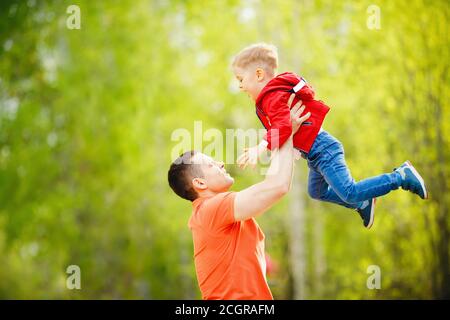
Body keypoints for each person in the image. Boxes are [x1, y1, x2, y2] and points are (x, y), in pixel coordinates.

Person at [232, 43, 428, 229]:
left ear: (259, 74)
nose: (240, 86)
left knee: (349, 192)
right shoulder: (274, 95)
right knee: (316, 191)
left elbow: (283, 126)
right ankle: (364, 203)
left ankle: (400, 176)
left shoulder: (271, 97)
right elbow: (287, 127)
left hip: (323, 149)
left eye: (241, 79)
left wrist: (260, 148)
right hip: (315, 153)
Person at [168, 97, 310, 300]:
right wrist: (285, 133)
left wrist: (285, 134)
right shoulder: (211, 209)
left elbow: (275, 184)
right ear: (199, 183)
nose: (221, 163)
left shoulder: (218, 213)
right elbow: (277, 186)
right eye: (211, 164)